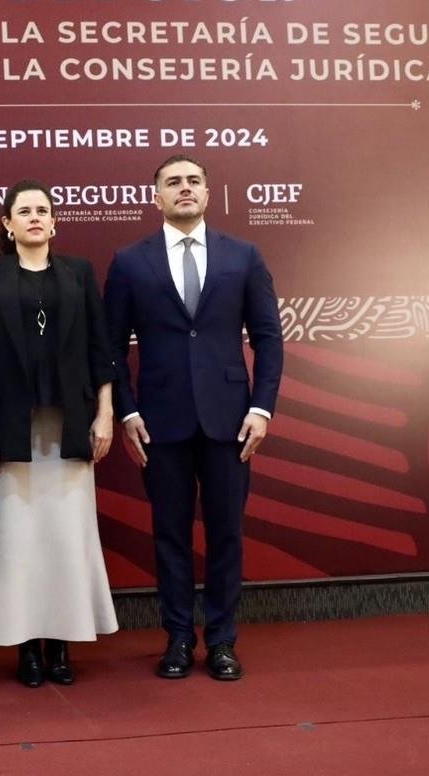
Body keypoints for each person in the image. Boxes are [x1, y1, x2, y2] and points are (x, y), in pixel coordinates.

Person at [103, 155, 283, 681]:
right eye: (173, 182)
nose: (184, 189)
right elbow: (111, 346)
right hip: (159, 422)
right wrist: (127, 409)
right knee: (170, 535)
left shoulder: (244, 256)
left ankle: (222, 641)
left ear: (208, 193)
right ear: (155, 197)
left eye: (194, 181)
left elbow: (269, 338)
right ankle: (179, 638)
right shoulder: (130, 261)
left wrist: (262, 407)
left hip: (232, 421)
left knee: (226, 533)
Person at [0, 179, 119, 687]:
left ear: (55, 222)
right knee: (18, 541)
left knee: (66, 539)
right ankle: (26, 648)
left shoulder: (78, 272)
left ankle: (64, 644)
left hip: (71, 425)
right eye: (24, 211)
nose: (35, 217)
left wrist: (105, 413)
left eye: (43, 211)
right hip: (10, 426)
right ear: (7, 224)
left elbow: (102, 348)